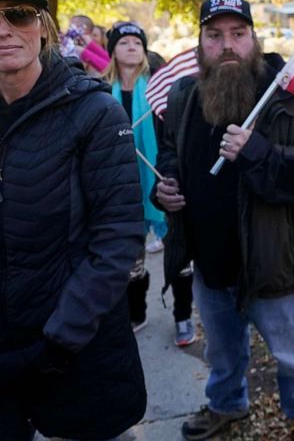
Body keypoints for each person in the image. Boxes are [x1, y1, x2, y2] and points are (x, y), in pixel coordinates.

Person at [0, 0, 147, 441]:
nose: (2, 30)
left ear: (43, 26)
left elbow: (116, 242)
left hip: (77, 351)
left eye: (19, 14)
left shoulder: (94, 112)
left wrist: (56, 345)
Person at [154, 0, 294, 441]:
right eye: (215, 35)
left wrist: (256, 152)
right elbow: (170, 155)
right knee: (221, 351)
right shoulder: (183, 96)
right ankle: (226, 405)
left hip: (272, 257)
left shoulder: (288, 92)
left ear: (253, 38)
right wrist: (164, 187)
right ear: (200, 42)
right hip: (209, 257)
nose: (227, 46)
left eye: (238, 34)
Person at [104, 20, 196, 346]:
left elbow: (176, 134)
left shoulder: (160, 89)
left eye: (137, 42)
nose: (131, 46)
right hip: (121, 188)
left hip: (161, 180)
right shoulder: (102, 91)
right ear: (112, 50)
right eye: (124, 41)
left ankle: (184, 316)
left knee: (179, 255)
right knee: (131, 261)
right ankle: (136, 312)